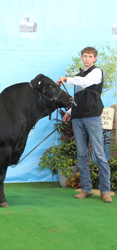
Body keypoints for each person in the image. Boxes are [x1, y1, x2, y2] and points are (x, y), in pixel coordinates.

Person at [57, 47, 112, 203]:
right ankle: (86, 189)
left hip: (93, 117)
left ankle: (105, 190)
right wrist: (69, 113)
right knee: (81, 154)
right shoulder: (78, 76)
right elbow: (77, 98)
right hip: (77, 118)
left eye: (90, 56)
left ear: (95, 59)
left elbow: (86, 82)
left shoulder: (96, 72)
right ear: (81, 57)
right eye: (85, 56)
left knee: (100, 154)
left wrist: (67, 79)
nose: (87, 58)